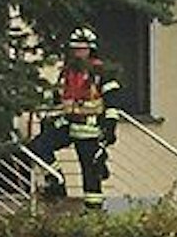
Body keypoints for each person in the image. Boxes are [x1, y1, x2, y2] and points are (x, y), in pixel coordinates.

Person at [25, 27, 123, 211]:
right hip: (69, 124)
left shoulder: (101, 72)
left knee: (90, 174)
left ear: (91, 49)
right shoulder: (67, 72)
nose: (78, 53)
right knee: (38, 146)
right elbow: (59, 97)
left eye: (82, 49)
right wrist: (48, 112)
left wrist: (110, 127)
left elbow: (113, 101)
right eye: (75, 49)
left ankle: (93, 212)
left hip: (90, 129)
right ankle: (56, 180)